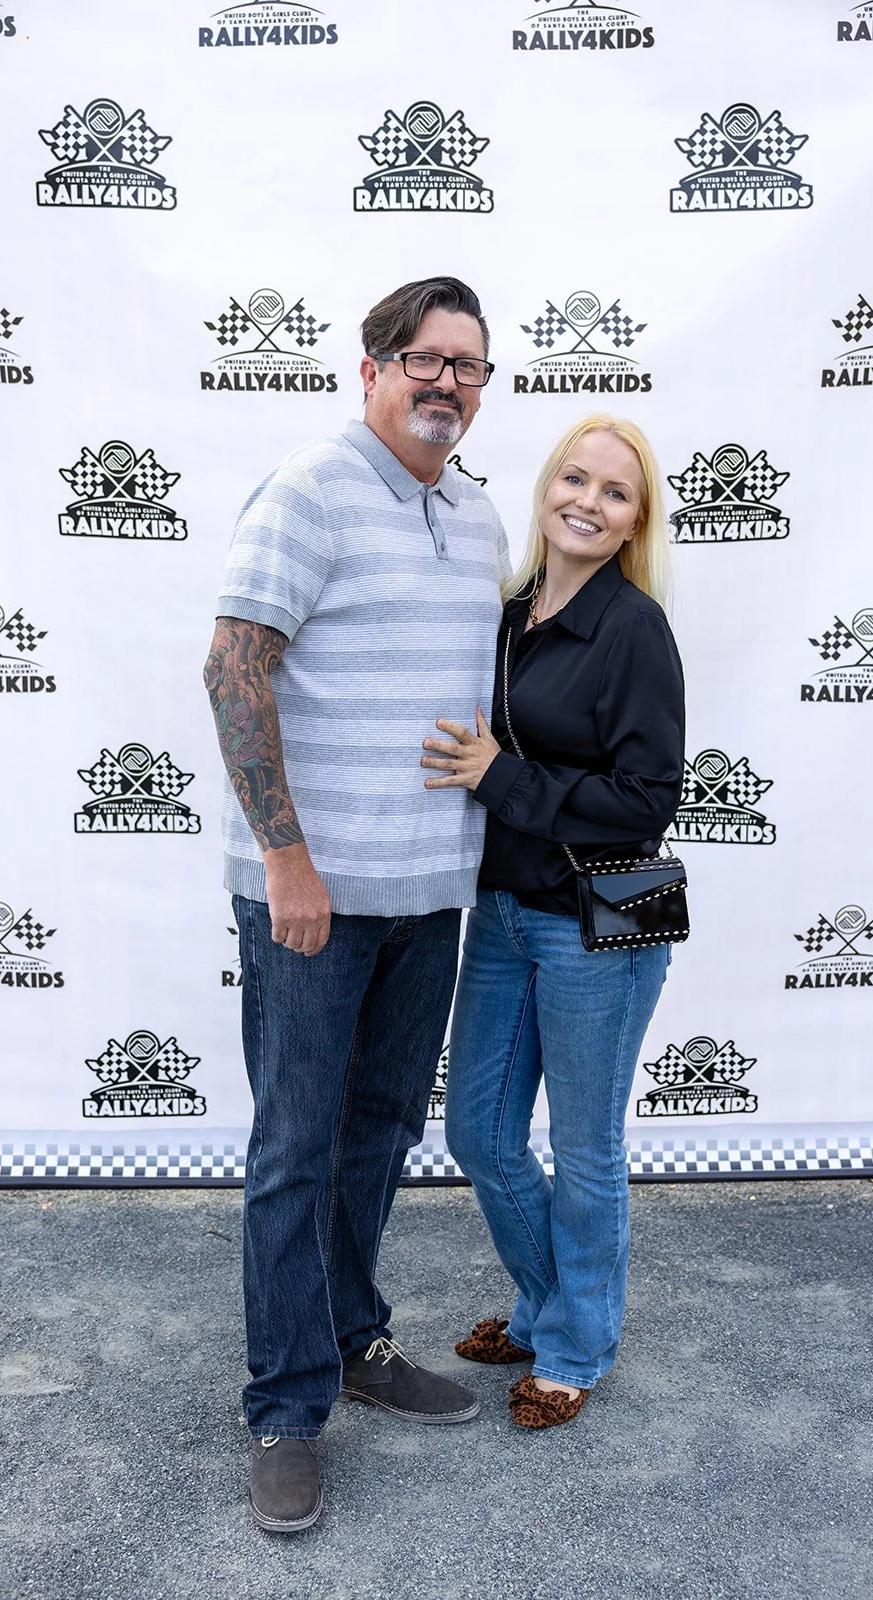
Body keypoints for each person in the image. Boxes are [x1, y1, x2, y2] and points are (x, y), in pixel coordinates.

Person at [204, 277, 509, 1531]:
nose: (449, 384)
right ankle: (283, 1405)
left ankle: (351, 1334)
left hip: (428, 892)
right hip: (313, 901)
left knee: (377, 1131)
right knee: (293, 1145)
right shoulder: (309, 489)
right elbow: (233, 665)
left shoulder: (479, 514)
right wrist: (286, 859)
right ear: (373, 365)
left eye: (472, 367)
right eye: (427, 360)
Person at [420, 414, 684, 1430]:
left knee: (583, 1148)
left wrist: (505, 777)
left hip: (595, 924)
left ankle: (574, 1342)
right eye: (573, 478)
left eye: (613, 492)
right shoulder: (503, 612)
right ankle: (548, 1302)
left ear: (632, 522)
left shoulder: (632, 628)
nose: (587, 499)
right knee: (477, 1132)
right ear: (544, 489)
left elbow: (646, 796)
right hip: (499, 911)